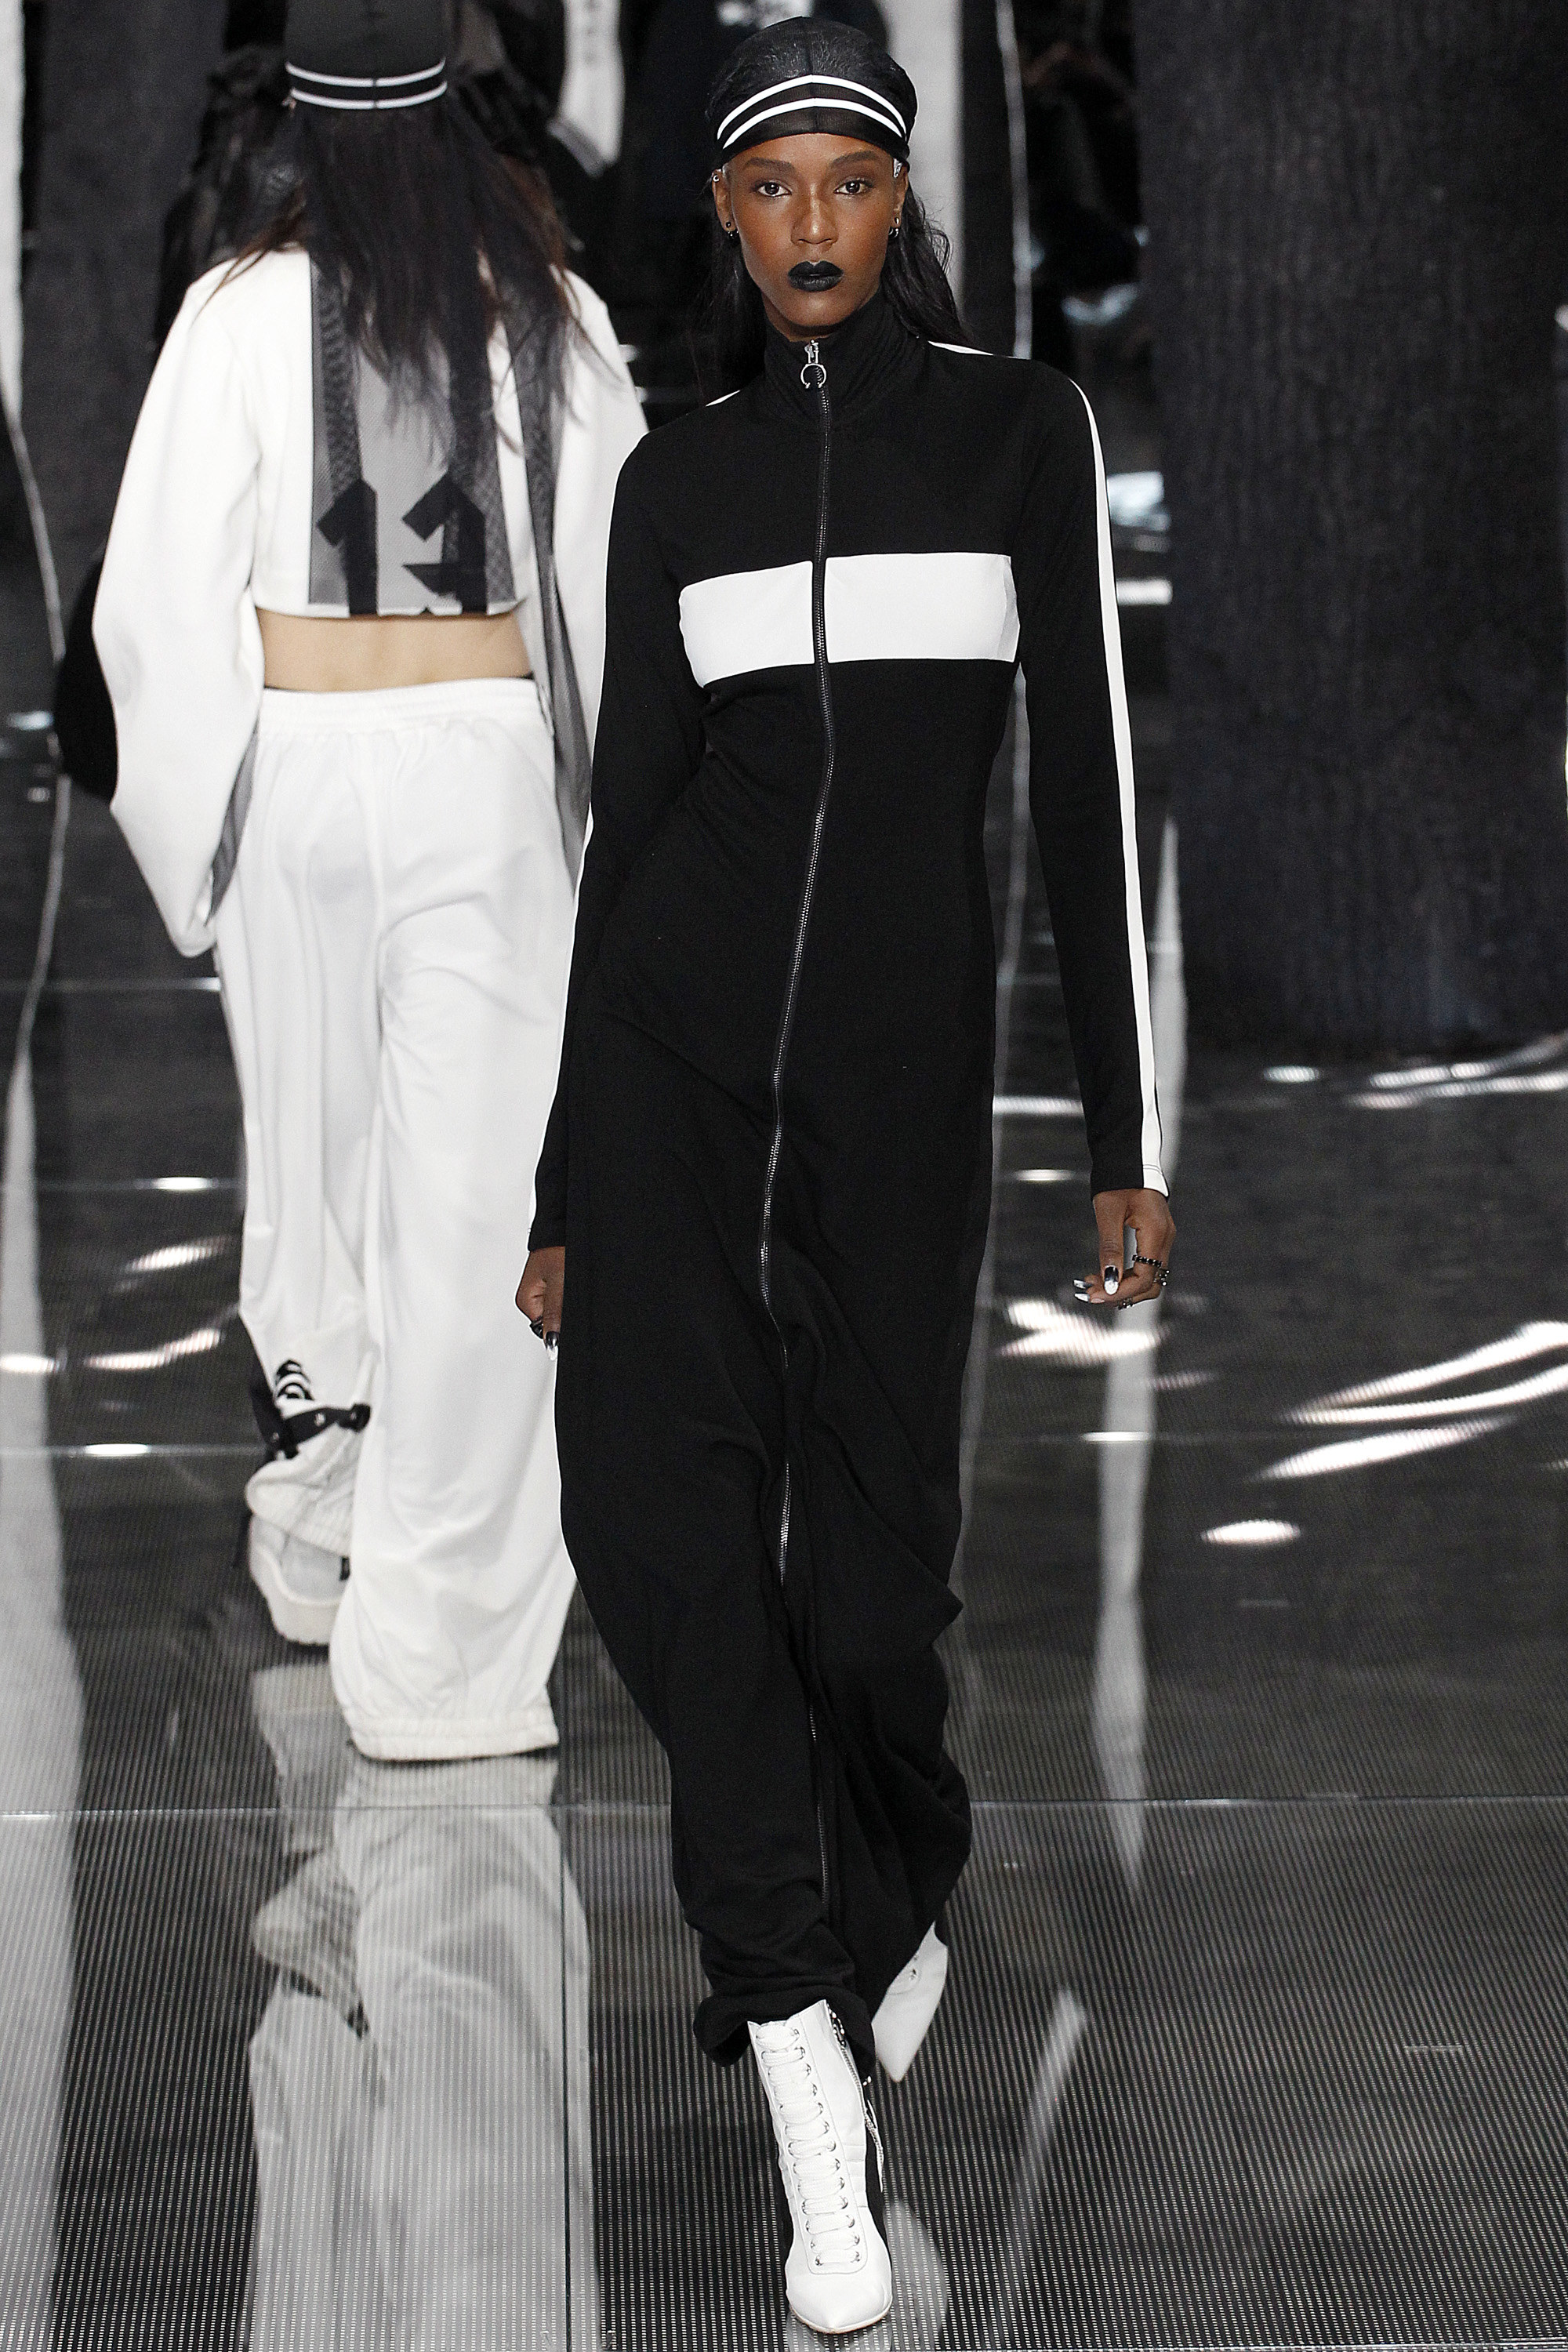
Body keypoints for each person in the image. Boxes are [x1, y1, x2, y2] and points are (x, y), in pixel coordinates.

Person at [516, 13, 1174, 2333]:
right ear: (721, 214)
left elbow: (1085, 796)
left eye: (851, 182)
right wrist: (564, 1183)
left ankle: (879, 1892)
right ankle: (793, 2026)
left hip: (899, 1107)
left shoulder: (1017, 437)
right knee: (661, 1532)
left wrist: (1123, 1138)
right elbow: (628, 847)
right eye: (771, 186)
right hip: (673, 1074)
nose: (811, 222)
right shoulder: (672, 488)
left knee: (879, 1612)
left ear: (903, 204)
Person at [95, 0, 644, 1761]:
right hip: (485, 770)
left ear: (300, 124)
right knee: (482, 1205)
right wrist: (610, 822)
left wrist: (205, 821)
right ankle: (445, 1662)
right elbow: (615, 578)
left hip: (300, 769)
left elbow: (149, 602)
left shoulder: (235, 314)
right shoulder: (549, 314)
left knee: (317, 1171)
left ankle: (323, 1512)